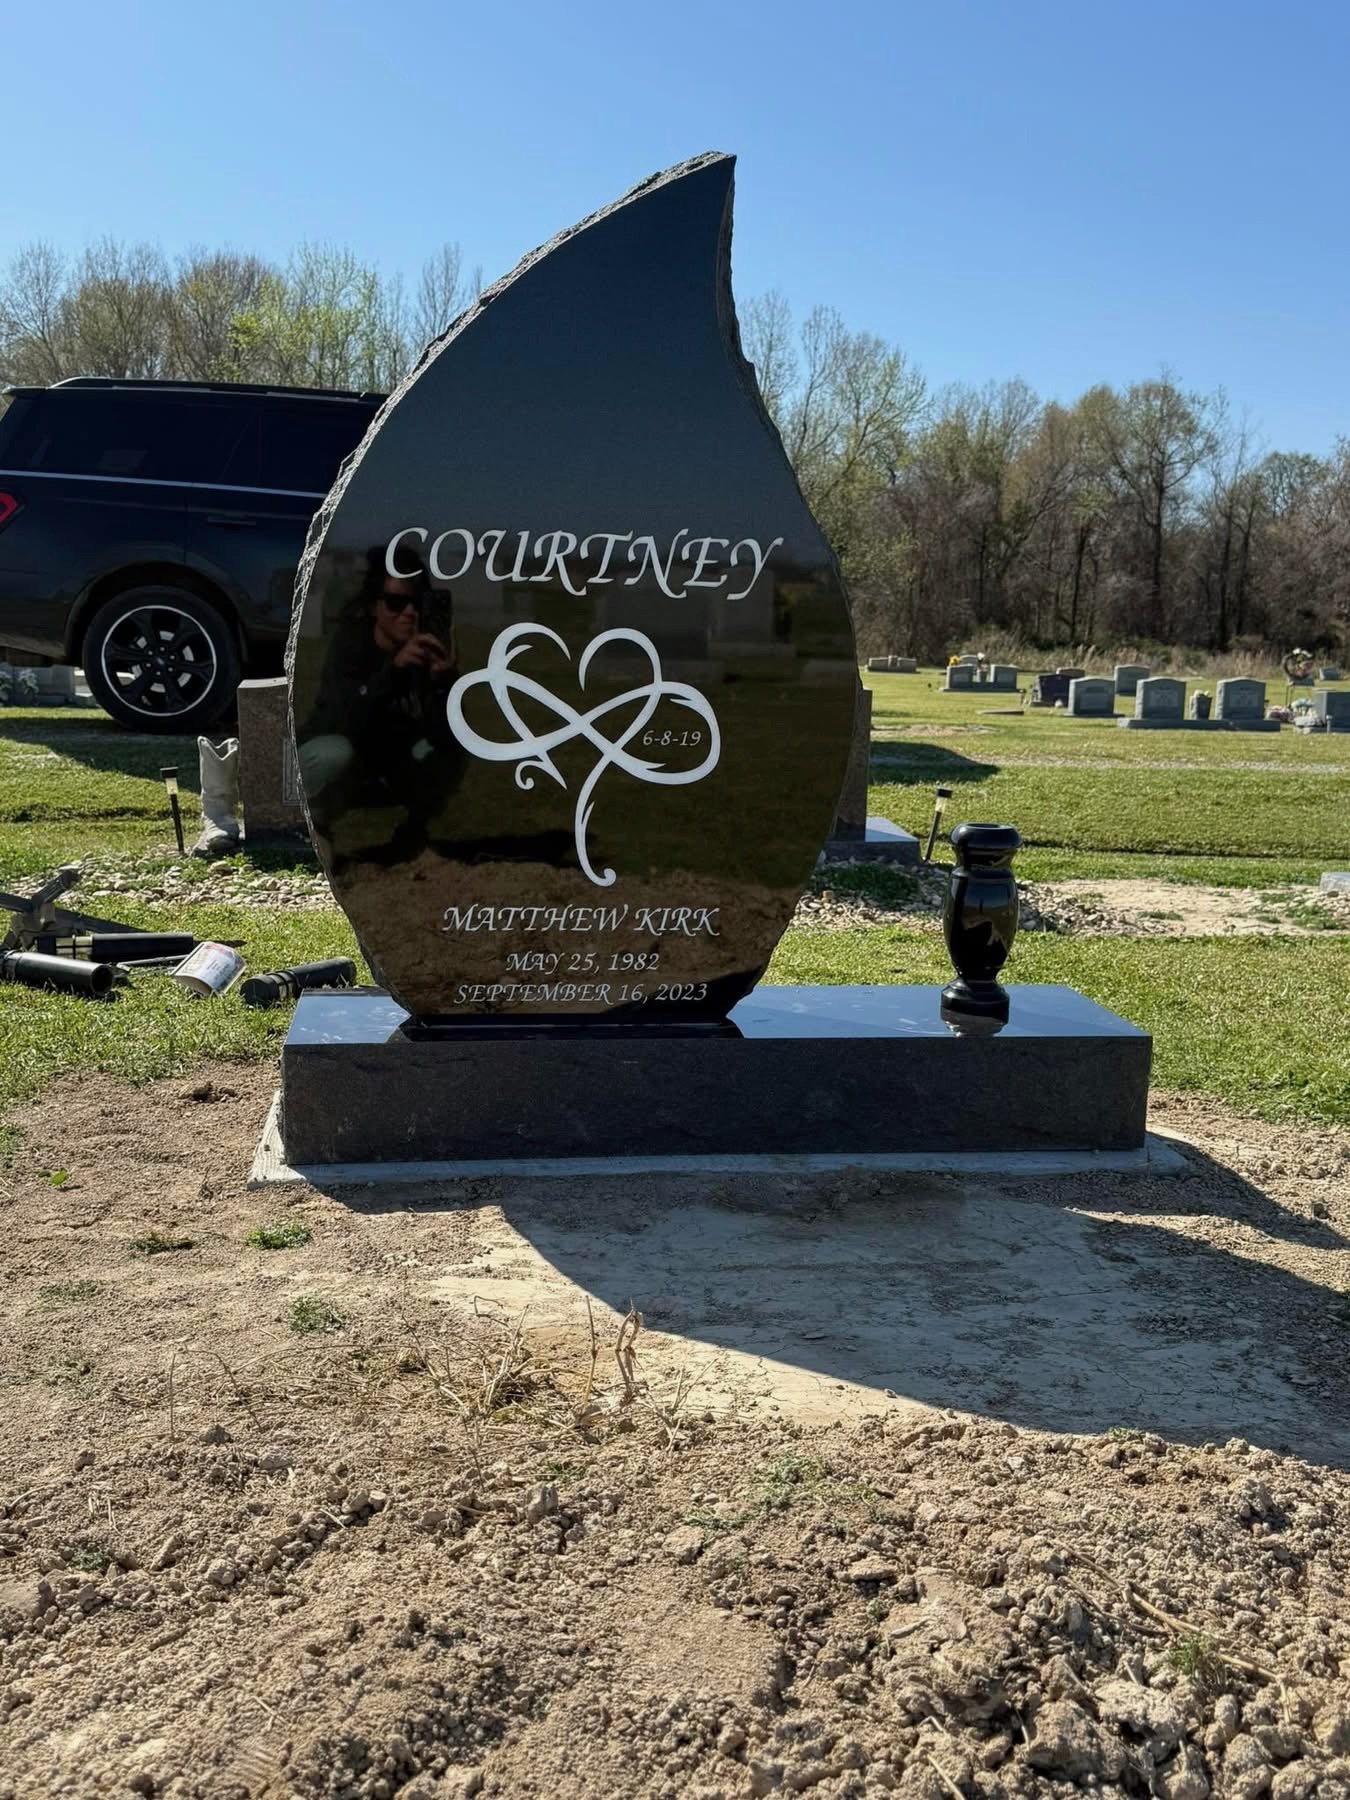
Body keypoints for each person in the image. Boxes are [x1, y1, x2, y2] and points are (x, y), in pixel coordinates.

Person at [297, 546, 466, 870]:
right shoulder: (352, 645)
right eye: (395, 603)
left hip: (386, 765)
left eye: (417, 603)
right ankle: (313, 827)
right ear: (375, 605)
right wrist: (393, 671)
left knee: (447, 752)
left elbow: (446, 738)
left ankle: (413, 832)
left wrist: (445, 687)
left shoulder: (425, 652)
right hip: (335, 760)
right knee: (336, 753)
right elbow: (344, 721)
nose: (408, 613)